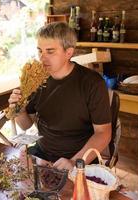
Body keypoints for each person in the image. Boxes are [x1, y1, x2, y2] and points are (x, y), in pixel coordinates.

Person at [8, 22, 112, 170]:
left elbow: (103, 133)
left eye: (50, 51)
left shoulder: (92, 82)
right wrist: (18, 109)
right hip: (43, 152)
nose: (42, 58)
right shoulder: (36, 80)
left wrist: (75, 162)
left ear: (69, 53)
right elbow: (26, 125)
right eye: (40, 51)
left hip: (80, 158)